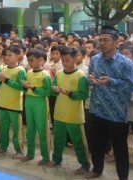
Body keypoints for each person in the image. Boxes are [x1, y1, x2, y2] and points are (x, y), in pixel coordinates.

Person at [86, 26, 133, 180]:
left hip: (117, 113)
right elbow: (90, 77)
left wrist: (112, 81)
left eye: (106, 40)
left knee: (119, 148)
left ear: (116, 42)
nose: (102, 43)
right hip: (97, 109)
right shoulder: (95, 59)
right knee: (96, 144)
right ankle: (97, 169)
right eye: (100, 40)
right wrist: (91, 81)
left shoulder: (126, 63)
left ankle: (123, 176)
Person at [47, 46, 90, 174]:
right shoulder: (59, 73)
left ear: (75, 59)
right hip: (60, 113)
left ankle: (85, 164)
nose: (65, 63)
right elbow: (53, 90)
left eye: (68, 60)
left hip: (74, 115)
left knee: (78, 141)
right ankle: (56, 159)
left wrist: (70, 94)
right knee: (58, 139)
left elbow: (83, 94)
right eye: (63, 60)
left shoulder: (80, 75)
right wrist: (54, 90)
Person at [0, 46, 27, 158]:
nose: (6, 57)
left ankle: (19, 150)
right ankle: (3, 146)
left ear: (17, 57)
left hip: (14, 104)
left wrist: (6, 80)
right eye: (5, 55)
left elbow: (20, 87)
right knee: (3, 127)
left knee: (17, 129)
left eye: (9, 55)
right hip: (2, 102)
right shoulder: (1, 68)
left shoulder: (20, 70)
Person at [20, 49, 52, 165]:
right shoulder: (28, 72)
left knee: (42, 130)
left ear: (40, 60)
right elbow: (25, 88)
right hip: (29, 101)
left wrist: (33, 88)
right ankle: (30, 153)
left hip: (40, 103)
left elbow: (48, 92)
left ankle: (46, 156)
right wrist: (24, 86)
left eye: (32, 60)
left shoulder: (45, 75)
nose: (30, 63)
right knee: (30, 130)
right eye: (28, 61)